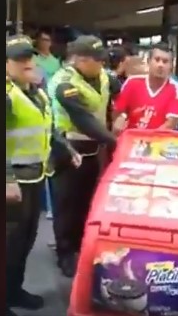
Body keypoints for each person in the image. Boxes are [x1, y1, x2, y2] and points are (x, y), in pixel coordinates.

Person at [5, 35, 82, 313]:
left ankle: (13, 291)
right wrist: (7, 179)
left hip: (35, 178)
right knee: (7, 244)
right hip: (13, 183)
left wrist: (66, 148)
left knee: (24, 241)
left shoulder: (36, 93)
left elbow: (48, 129)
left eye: (30, 57)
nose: (27, 63)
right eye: (19, 59)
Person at [47, 35, 122, 277]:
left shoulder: (102, 75)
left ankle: (81, 244)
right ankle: (65, 253)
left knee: (86, 201)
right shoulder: (64, 84)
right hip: (68, 150)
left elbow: (118, 90)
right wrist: (115, 142)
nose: (102, 64)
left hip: (93, 151)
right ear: (80, 59)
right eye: (96, 60)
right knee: (66, 204)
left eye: (103, 59)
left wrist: (121, 114)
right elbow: (84, 120)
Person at [112, 44, 178, 131]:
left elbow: (170, 124)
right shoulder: (132, 82)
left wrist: (147, 140)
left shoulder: (177, 89)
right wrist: (119, 120)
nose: (160, 65)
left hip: (159, 141)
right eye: (157, 60)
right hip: (130, 138)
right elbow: (118, 110)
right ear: (148, 61)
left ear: (171, 66)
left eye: (165, 61)